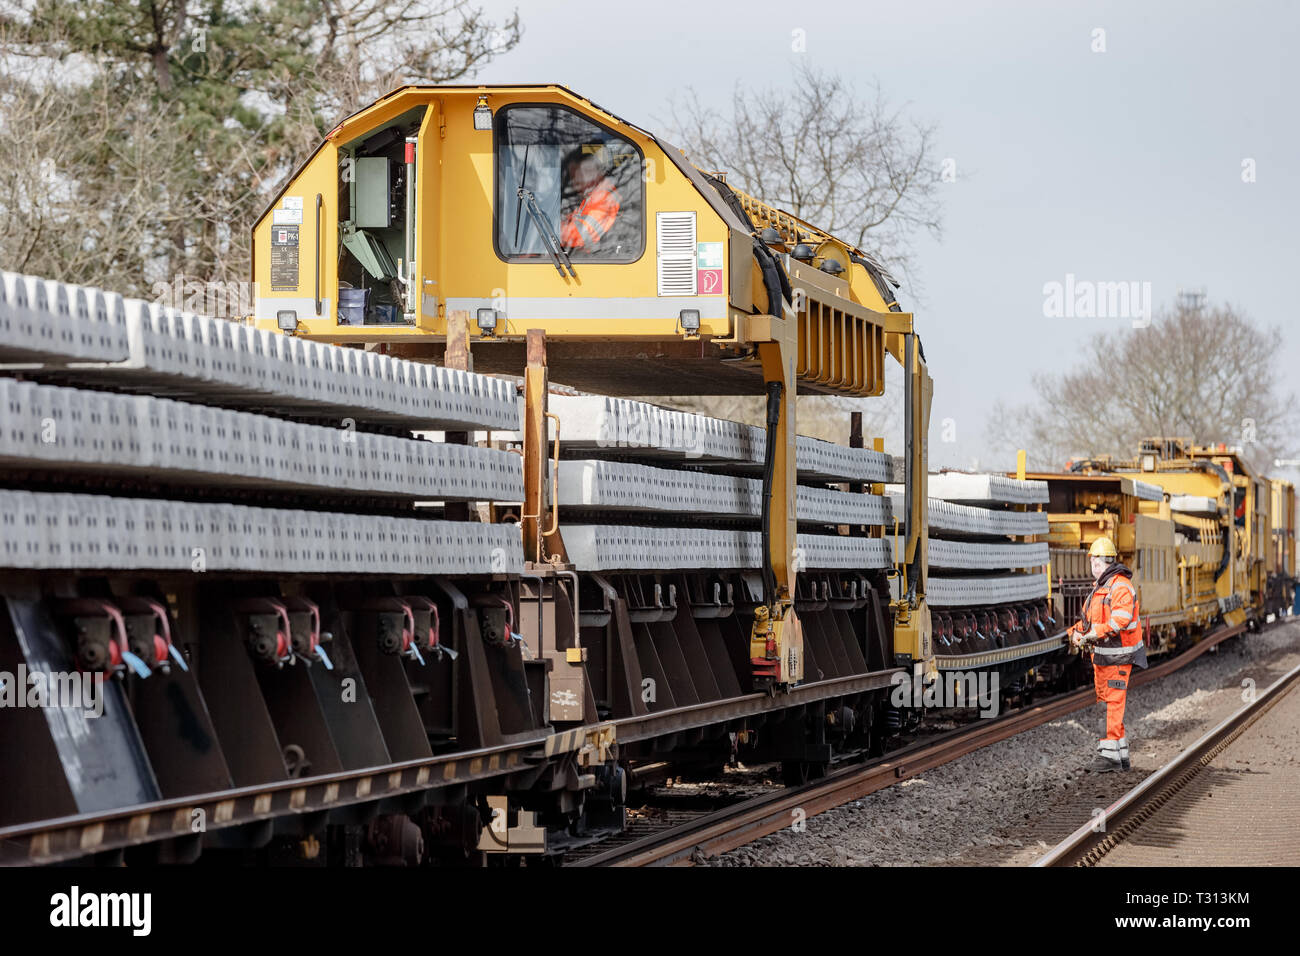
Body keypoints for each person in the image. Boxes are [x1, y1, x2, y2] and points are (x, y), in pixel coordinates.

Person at [1068, 536, 1148, 772]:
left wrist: (1093, 634)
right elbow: (1088, 621)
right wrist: (1075, 632)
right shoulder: (1101, 587)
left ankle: (1109, 756)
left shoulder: (1120, 586)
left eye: (1092, 560)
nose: (1091, 565)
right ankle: (1121, 755)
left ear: (1096, 562)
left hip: (1117, 657)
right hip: (1104, 658)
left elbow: (1119, 621)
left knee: (1111, 704)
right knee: (1108, 703)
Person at [560, 149, 621, 252]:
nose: (575, 178)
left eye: (578, 172)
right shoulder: (591, 195)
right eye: (573, 174)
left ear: (596, 171)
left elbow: (583, 234)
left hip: (595, 258)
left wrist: (556, 229)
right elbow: (579, 218)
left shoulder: (604, 197)